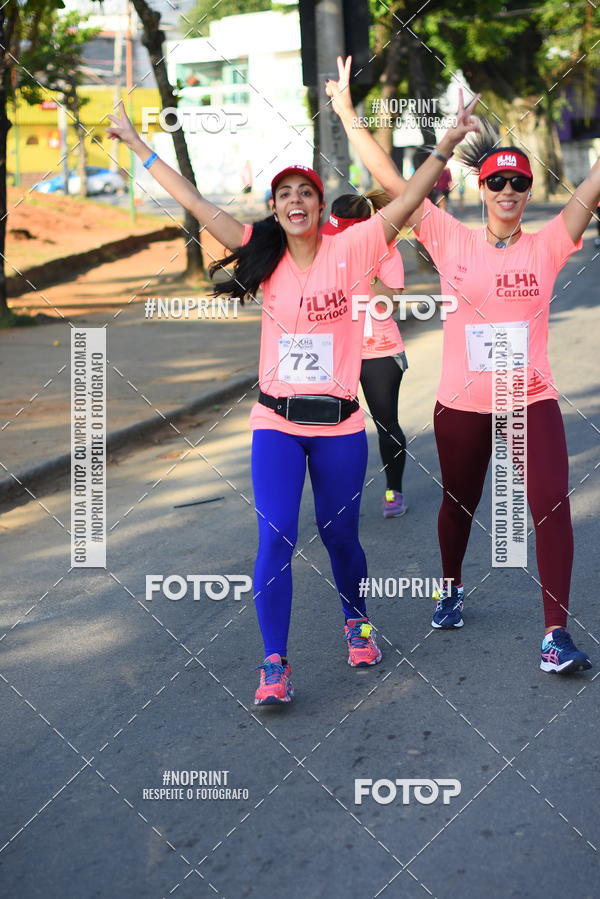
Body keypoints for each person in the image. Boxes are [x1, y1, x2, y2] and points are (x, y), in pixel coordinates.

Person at [107, 93, 479, 705]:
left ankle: (356, 622)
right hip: (275, 422)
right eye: (285, 195)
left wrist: (444, 145)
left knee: (341, 539)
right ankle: (273, 663)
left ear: (317, 205)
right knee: (275, 533)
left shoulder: (355, 247)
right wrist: (138, 146)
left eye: (305, 192)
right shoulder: (265, 252)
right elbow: (196, 203)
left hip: (338, 426)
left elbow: (409, 201)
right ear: (275, 210)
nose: (296, 201)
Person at [328, 56, 600, 674]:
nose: (508, 192)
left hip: (529, 398)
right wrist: (346, 113)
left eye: (519, 184)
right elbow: (394, 181)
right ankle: (449, 588)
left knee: (552, 503)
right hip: (463, 402)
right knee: (461, 502)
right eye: (498, 183)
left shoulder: (551, 242)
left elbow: (592, 186)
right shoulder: (450, 236)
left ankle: (555, 635)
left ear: (529, 192)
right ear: (484, 190)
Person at [321, 192, 409, 517]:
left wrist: (367, 267)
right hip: (335, 353)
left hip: (379, 351)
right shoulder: (322, 250)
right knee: (331, 429)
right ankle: (337, 500)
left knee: (386, 425)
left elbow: (389, 304)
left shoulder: (387, 252)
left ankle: (393, 491)